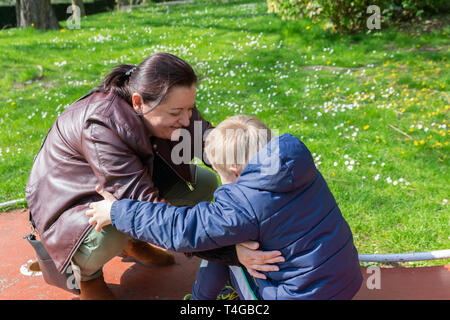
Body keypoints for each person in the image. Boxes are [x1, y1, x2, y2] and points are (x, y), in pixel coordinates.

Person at [25, 53, 282, 300]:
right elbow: (145, 208)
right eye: (175, 113)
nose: (186, 119)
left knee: (205, 183)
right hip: (73, 207)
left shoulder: (170, 104)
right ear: (138, 103)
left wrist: (260, 174)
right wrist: (231, 252)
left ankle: (133, 240)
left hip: (127, 186)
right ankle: (88, 275)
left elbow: (209, 143)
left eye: (190, 108)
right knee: (113, 229)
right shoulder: (101, 126)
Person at [86, 114, 363, 300]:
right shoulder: (302, 170)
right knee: (237, 245)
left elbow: (181, 229)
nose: (222, 184)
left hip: (295, 296)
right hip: (345, 282)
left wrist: (116, 211)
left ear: (236, 172)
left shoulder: (243, 203)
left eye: (223, 176)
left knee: (218, 252)